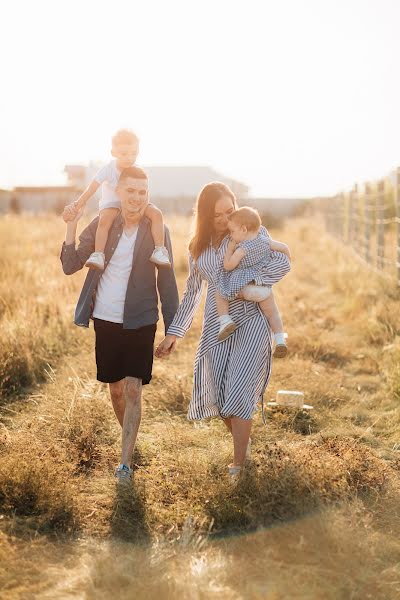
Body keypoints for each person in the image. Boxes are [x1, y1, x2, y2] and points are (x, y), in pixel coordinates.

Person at [155, 182, 291, 477]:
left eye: (230, 211)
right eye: (219, 215)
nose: (227, 219)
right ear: (205, 216)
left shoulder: (251, 232)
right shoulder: (198, 249)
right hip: (219, 323)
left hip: (252, 319)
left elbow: (282, 262)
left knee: (239, 390)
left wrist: (249, 283)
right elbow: (192, 293)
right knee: (219, 395)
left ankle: (239, 466)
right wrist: (174, 333)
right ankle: (246, 445)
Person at [60, 166, 179, 482]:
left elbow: (167, 281)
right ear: (119, 192)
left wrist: (173, 329)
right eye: (131, 191)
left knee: (133, 389)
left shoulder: (156, 230)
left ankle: (124, 462)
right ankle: (132, 439)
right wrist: (70, 227)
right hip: (105, 318)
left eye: (143, 192)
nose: (137, 198)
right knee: (115, 391)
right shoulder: (104, 223)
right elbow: (70, 265)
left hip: (141, 318)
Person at [63, 129, 171, 269]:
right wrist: (78, 204)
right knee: (105, 221)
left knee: (156, 213)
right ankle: (99, 254)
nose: (129, 158)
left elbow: (145, 194)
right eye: (124, 153)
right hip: (111, 205)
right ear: (113, 153)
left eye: (134, 153)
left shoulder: (136, 171)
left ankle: (159, 250)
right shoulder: (108, 169)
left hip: (135, 207)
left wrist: (142, 210)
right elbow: (92, 188)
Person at [215, 205, 290, 357]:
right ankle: (280, 340)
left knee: (220, 290)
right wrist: (288, 256)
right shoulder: (265, 240)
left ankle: (225, 321)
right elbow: (284, 247)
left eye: (232, 231)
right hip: (264, 289)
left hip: (246, 288)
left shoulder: (242, 248)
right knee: (273, 313)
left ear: (243, 230)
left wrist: (229, 250)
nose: (231, 235)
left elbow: (228, 266)